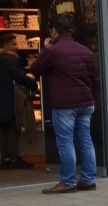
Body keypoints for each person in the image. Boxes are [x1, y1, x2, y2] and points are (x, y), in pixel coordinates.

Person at [28, 15, 98, 193]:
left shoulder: (52, 51)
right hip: (85, 102)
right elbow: (94, 79)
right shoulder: (86, 52)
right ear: (70, 31)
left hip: (65, 103)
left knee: (65, 142)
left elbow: (36, 69)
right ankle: (88, 179)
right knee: (85, 140)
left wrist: (45, 49)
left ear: (53, 31)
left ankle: (68, 181)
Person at [0, 33, 37, 169]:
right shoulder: (11, 60)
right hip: (10, 99)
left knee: (3, 130)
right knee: (13, 128)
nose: (17, 47)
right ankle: (14, 158)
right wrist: (33, 84)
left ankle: (5, 158)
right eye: (14, 44)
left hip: (2, 99)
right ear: (6, 45)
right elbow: (19, 77)